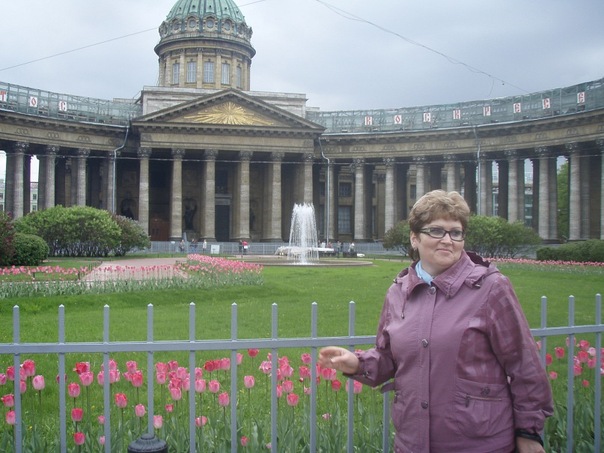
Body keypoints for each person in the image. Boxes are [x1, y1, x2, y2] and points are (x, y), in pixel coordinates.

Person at [319, 190, 553, 453]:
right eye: (437, 231)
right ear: (414, 238)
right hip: (413, 443)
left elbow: (524, 363)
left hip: (479, 444)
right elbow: (389, 358)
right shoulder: (398, 292)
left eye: (456, 232)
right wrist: (357, 363)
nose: (448, 240)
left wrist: (528, 432)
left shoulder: (491, 288)